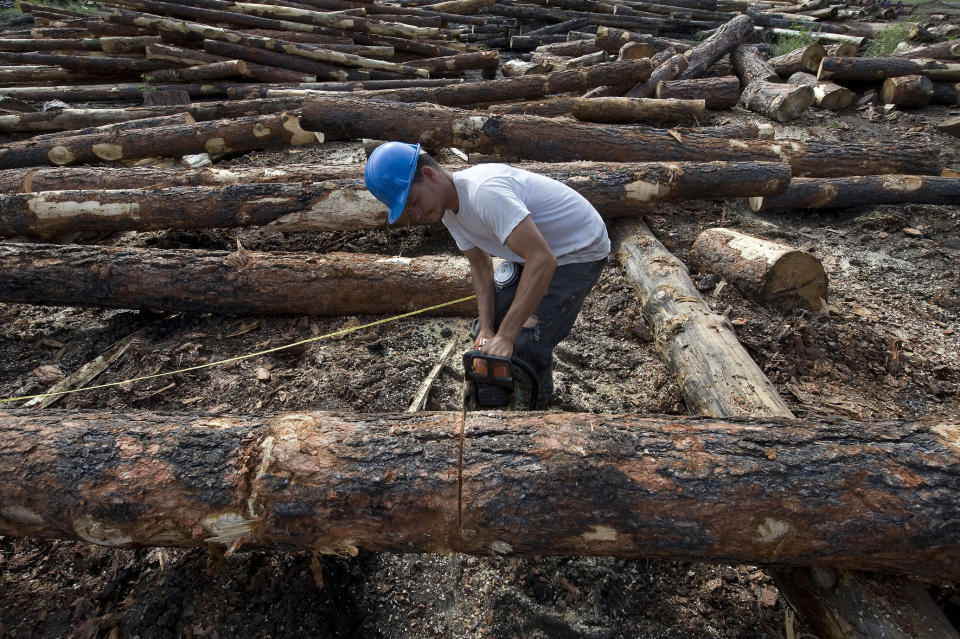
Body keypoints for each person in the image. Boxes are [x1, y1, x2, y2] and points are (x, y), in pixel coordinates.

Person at [364, 141, 610, 408]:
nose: (417, 214)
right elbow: (480, 266)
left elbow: (543, 260)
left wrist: (505, 336)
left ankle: (536, 400)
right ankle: (500, 386)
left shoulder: (484, 193)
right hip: (532, 251)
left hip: (579, 251)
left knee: (524, 339)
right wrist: (489, 329)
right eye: (408, 211)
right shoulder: (448, 210)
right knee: (485, 328)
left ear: (429, 175)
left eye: (414, 202)